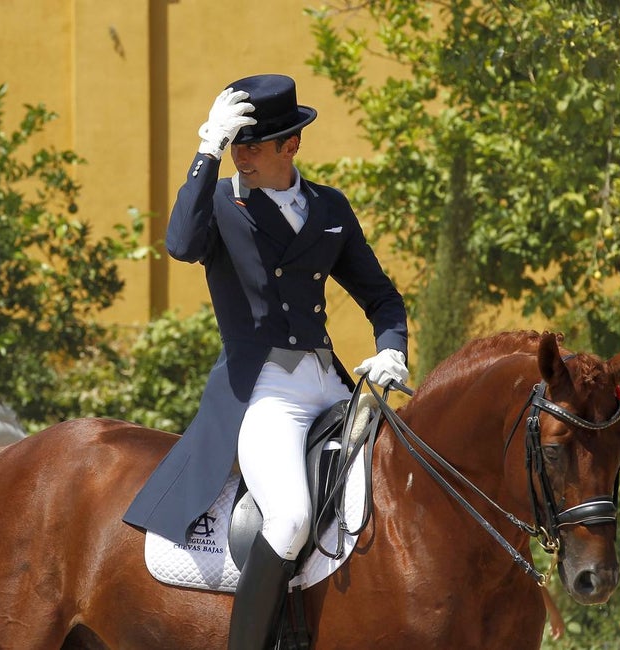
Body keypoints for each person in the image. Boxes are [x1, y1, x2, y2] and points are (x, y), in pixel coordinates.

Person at [123, 74, 411, 649]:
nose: (242, 155)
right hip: (262, 395)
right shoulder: (222, 206)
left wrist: (391, 349)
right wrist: (206, 151)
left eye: (253, 144)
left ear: (291, 145)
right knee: (291, 520)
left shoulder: (329, 207)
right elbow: (180, 243)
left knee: (401, 488)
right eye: (236, 144)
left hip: (329, 386)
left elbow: (381, 297)